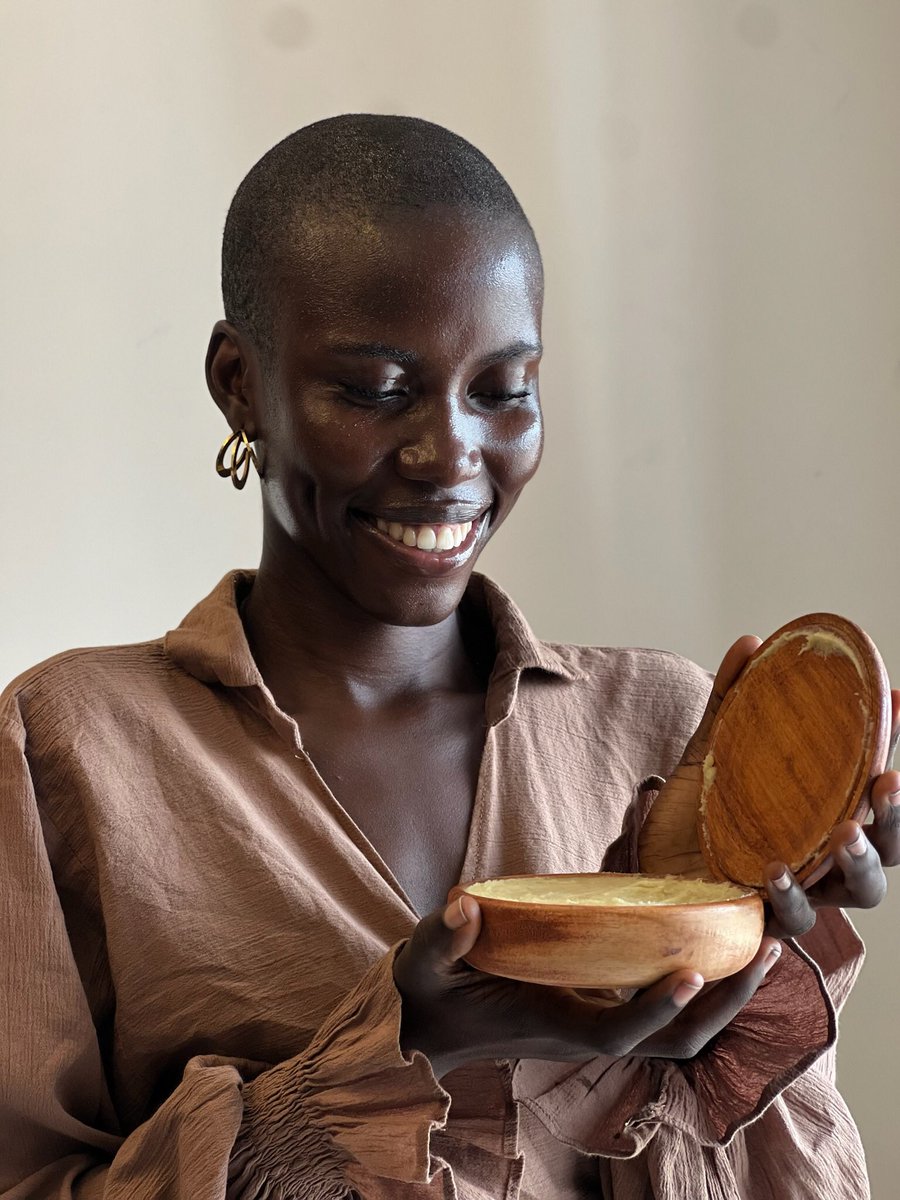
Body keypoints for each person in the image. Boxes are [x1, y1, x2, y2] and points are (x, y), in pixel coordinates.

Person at [1, 114, 897, 1200]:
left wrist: (727, 938)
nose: (451, 457)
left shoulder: (662, 730)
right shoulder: (66, 747)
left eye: (502, 389)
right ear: (240, 383)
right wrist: (402, 1048)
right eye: (378, 391)